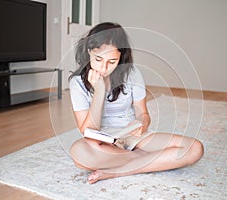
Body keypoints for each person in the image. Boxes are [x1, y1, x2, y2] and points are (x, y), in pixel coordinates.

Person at [69, 22, 204, 184]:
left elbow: (143, 113)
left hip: (133, 136)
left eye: (112, 62)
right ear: (89, 51)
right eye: (98, 59)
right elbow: (89, 130)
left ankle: (116, 171)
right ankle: (149, 159)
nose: (103, 68)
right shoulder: (77, 83)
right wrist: (99, 91)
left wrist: (142, 123)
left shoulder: (132, 74)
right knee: (79, 153)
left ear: (120, 58)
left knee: (195, 148)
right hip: (103, 143)